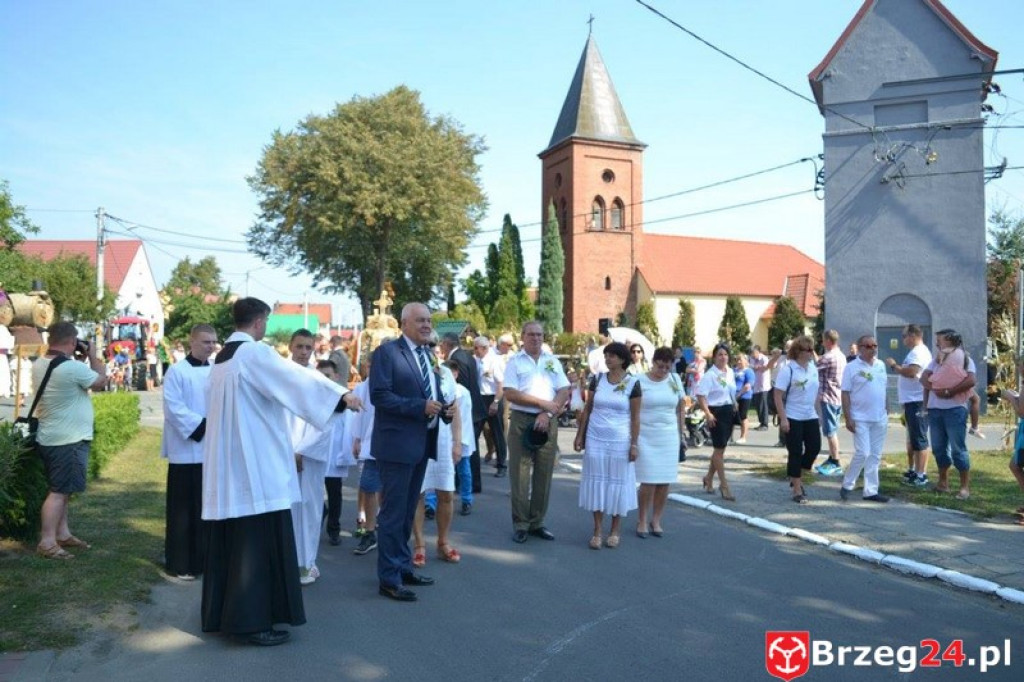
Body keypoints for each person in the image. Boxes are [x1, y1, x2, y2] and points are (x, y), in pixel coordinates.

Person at [201, 298, 359, 646]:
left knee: (235, 542)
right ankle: (252, 623)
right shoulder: (254, 354)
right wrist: (339, 396)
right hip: (255, 468)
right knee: (255, 546)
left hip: (229, 467)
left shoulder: (221, 359)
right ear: (260, 322)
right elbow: (294, 380)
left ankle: (225, 617)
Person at [369, 302, 452, 602]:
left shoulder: (427, 354)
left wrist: (444, 410)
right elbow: (379, 396)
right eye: (420, 321)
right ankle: (389, 579)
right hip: (396, 446)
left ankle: (402, 567)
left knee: (407, 513)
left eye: (429, 320)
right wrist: (420, 407)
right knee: (393, 515)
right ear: (404, 323)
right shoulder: (387, 353)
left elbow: (431, 392)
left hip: (421, 443)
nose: (427, 325)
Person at [32, 322, 107, 559]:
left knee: (62, 489)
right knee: (58, 492)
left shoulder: (41, 363)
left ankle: (62, 534)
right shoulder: (72, 368)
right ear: (73, 342)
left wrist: (79, 359)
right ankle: (47, 541)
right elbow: (101, 382)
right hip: (68, 439)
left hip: (50, 437)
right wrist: (93, 356)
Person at [503, 320, 570, 544]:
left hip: (548, 419)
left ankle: (537, 522)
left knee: (544, 472)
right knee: (520, 473)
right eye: (531, 334)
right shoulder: (514, 362)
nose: (536, 338)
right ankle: (521, 523)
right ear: (522, 337)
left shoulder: (552, 361)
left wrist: (547, 413)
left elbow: (564, 390)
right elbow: (510, 393)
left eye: (539, 335)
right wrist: (542, 404)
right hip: (522, 419)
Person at [160, 324, 217, 579]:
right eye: (205, 341)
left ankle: (203, 561)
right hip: (185, 450)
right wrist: (203, 426)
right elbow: (173, 408)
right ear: (191, 342)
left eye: (213, 342)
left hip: (211, 451)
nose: (210, 346)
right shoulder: (177, 371)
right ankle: (180, 562)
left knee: (206, 508)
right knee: (183, 511)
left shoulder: (217, 371)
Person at [573, 342, 640, 549]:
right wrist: (580, 435)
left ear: (622, 359)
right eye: (606, 355)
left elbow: (635, 418)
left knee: (616, 484)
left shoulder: (633, 383)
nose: (608, 359)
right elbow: (588, 408)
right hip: (595, 438)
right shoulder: (597, 379)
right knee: (597, 483)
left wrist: (634, 444)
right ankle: (597, 530)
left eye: (612, 355)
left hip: (620, 440)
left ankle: (615, 530)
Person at [286, 329, 337, 586]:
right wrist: (286, 449)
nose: (304, 352)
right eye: (299, 347)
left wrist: (302, 450)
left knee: (309, 507)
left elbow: (325, 423)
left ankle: (305, 563)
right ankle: (284, 562)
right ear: (290, 347)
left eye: (308, 347)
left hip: (308, 457)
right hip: (282, 453)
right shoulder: (280, 376)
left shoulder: (320, 381)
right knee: (284, 508)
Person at [412, 359, 469, 566]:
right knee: (418, 494)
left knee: (446, 494)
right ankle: (419, 545)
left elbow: (455, 410)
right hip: (419, 437)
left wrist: (457, 442)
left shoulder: (445, 374)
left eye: (434, 346)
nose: (431, 350)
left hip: (443, 441)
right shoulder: (413, 371)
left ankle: (443, 542)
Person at [634, 347, 685, 537]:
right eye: (660, 366)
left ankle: (656, 520)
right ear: (653, 362)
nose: (663, 370)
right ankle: (642, 520)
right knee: (648, 480)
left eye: (667, 367)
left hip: (669, 436)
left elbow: (680, 408)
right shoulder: (639, 380)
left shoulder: (675, 380)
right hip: (646, 435)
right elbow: (632, 409)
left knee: (664, 481)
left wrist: (681, 434)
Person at [920, 329, 976, 500]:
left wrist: (950, 392)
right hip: (935, 410)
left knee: (958, 449)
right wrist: (937, 389)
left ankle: (964, 487)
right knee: (938, 448)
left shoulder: (965, 359)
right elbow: (923, 379)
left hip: (955, 409)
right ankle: (943, 483)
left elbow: (971, 380)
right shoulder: (935, 361)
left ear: (951, 341)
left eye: (940, 340)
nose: (937, 343)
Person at [839, 335, 890, 503]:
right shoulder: (851, 367)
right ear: (860, 348)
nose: (872, 349)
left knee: (875, 455)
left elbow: (883, 388)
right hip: (860, 417)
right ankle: (848, 484)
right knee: (863, 452)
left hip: (879, 417)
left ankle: (871, 491)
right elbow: (845, 393)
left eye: (874, 345)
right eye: (868, 346)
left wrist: (887, 407)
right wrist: (848, 417)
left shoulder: (880, 365)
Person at [773, 336, 820, 504]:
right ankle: (797, 489)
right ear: (799, 352)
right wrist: (783, 418)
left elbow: (816, 392)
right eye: (808, 350)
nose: (811, 353)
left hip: (810, 415)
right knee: (795, 452)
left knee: (814, 448)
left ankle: (795, 475)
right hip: (793, 415)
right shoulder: (789, 369)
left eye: (812, 349)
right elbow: (777, 395)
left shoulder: (813, 368)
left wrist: (818, 413)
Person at [885, 324, 932, 487]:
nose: (903, 339)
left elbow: (912, 372)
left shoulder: (918, 352)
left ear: (913, 336)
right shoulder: (915, 352)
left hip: (917, 400)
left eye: (904, 336)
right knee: (914, 438)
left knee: (920, 439)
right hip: (911, 400)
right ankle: (916, 471)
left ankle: (921, 474)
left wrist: (894, 366)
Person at [440, 331, 486, 498]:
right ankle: (474, 484)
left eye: (442, 344)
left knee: (465, 449)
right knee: (471, 451)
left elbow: (460, 386)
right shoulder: (468, 356)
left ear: (447, 344)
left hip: (466, 409)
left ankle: (465, 484)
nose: (441, 347)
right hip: (476, 407)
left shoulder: (456, 360)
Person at [696, 343, 737, 501]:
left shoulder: (730, 372)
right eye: (720, 354)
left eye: (725, 354)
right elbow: (701, 395)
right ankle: (724, 485)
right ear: (714, 357)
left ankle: (708, 478)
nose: (723, 357)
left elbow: (730, 390)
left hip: (729, 410)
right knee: (719, 449)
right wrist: (707, 413)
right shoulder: (710, 375)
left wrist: (734, 403)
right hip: (716, 412)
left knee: (720, 449)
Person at [349, 356, 380, 556]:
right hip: (370, 444)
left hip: (392, 443)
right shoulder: (363, 387)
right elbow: (358, 414)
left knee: (390, 490)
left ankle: (387, 528)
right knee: (368, 487)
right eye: (369, 366)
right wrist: (357, 438)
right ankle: (369, 531)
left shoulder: (393, 382)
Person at [474, 336, 508, 478]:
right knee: (475, 432)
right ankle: (473, 464)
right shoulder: (476, 360)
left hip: (492, 397)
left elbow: (501, 384)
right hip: (480, 398)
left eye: (476, 348)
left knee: (497, 432)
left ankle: (501, 464)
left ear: (484, 348)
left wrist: (496, 402)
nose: (474, 351)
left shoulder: (495, 361)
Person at [816, 330, 846, 476]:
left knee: (830, 432)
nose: (822, 342)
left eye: (823, 340)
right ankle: (831, 457)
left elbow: (813, 367)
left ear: (828, 341)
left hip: (828, 397)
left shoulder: (828, 357)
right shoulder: (841, 355)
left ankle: (836, 461)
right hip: (837, 396)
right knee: (832, 429)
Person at [731, 353, 754, 444]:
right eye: (737, 360)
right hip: (732, 396)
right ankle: (729, 437)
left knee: (742, 415)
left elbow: (748, 385)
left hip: (744, 396)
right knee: (731, 416)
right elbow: (725, 381)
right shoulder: (733, 370)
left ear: (746, 361)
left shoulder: (748, 371)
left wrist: (739, 395)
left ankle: (743, 437)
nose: (739, 362)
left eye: (740, 360)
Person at [749, 345, 771, 430]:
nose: (752, 355)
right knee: (758, 405)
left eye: (754, 353)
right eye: (751, 353)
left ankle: (765, 424)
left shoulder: (764, 359)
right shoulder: (751, 359)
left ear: (758, 352)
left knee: (763, 405)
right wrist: (755, 367)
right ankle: (761, 423)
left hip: (763, 385)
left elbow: (765, 368)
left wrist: (756, 367)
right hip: (755, 385)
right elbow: (751, 368)